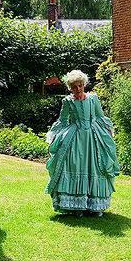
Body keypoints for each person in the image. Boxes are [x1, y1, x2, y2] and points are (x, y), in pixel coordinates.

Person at [45, 69, 119, 216]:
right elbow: (63, 121)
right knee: (74, 165)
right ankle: (76, 206)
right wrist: (55, 136)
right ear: (70, 88)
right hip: (74, 139)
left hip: (93, 138)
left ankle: (94, 206)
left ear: (84, 84)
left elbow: (99, 117)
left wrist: (108, 131)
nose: (77, 89)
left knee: (96, 167)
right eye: (74, 87)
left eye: (80, 85)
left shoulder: (93, 99)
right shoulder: (67, 102)